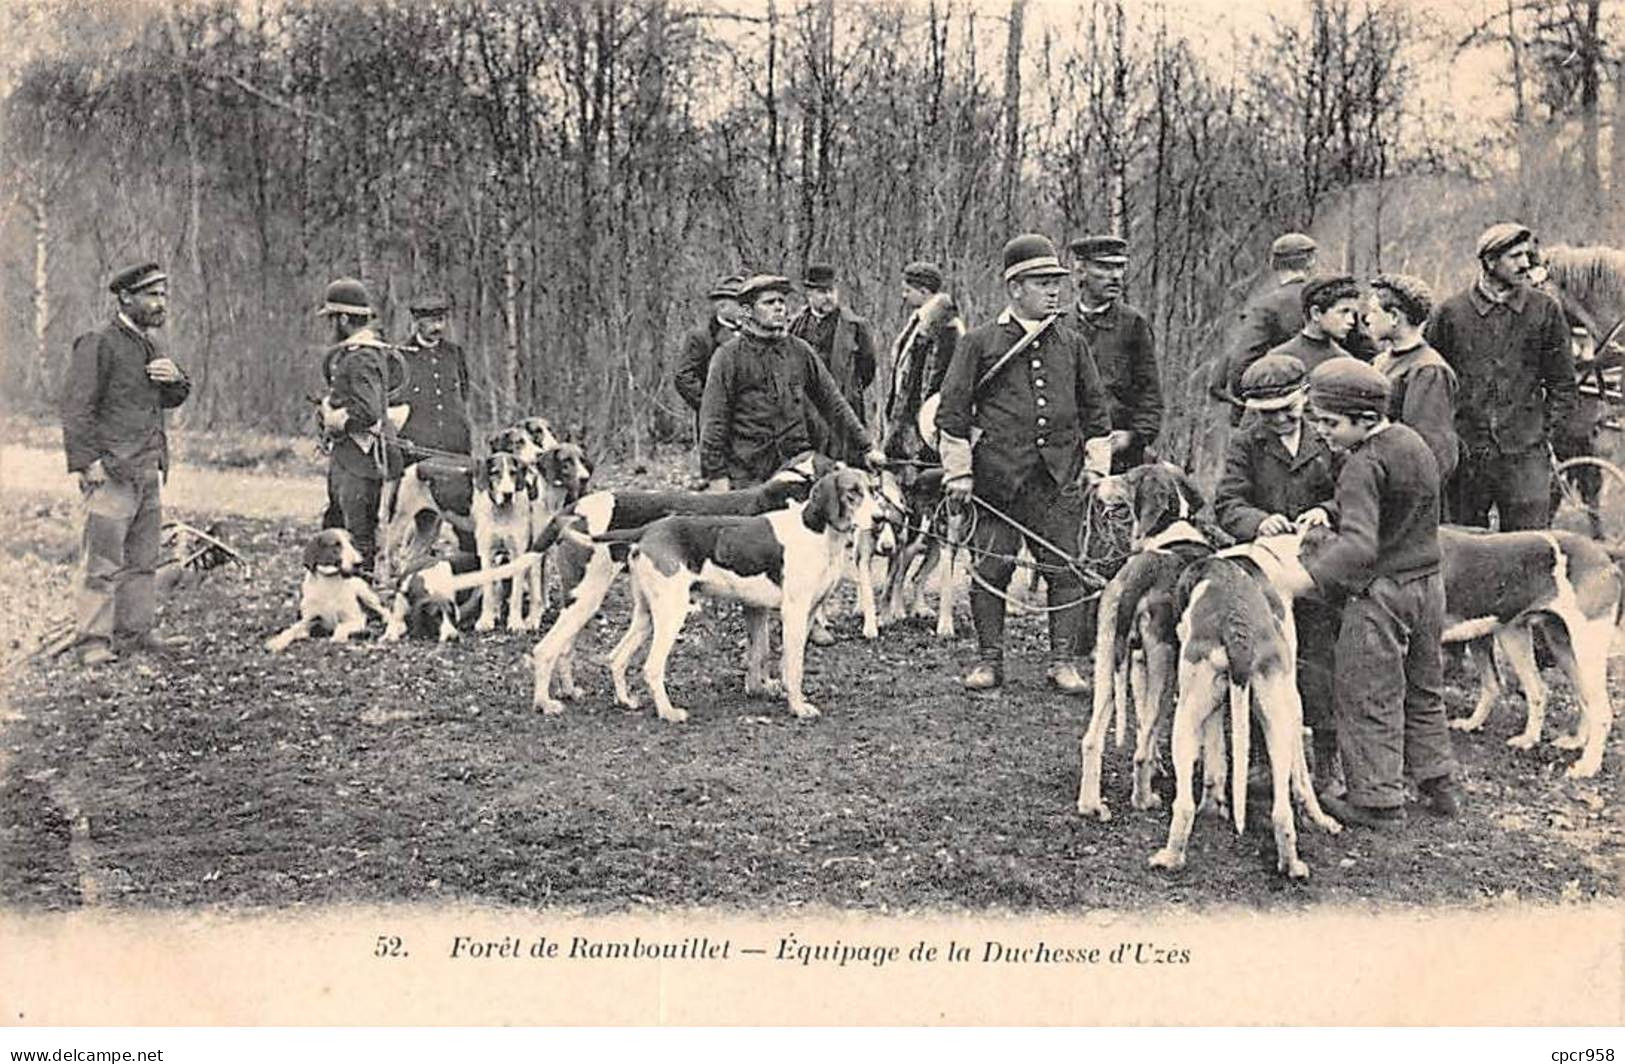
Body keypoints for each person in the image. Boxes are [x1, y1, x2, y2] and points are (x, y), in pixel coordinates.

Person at [936, 234, 1114, 694]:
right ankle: (989, 661)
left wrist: (1097, 467)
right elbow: (951, 415)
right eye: (1041, 282)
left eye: (1056, 281)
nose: (1054, 290)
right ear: (1015, 288)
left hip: (1057, 483)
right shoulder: (978, 343)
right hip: (996, 481)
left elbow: (1097, 414)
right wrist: (958, 473)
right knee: (992, 570)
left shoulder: (1072, 344)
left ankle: (1062, 664)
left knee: (1065, 571)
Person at [1303, 356, 1464, 830]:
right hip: (1428, 585)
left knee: (1367, 693)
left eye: (1330, 422)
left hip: (1381, 596)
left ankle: (1376, 801)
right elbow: (1397, 496)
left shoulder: (1360, 464)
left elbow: (1358, 546)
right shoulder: (1410, 442)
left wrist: (1310, 576)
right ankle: (1437, 782)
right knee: (1423, 686)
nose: (1322, 431)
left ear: (1366, 419)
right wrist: (1331, 510)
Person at [1213, 354, 1341, 794]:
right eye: (1268, 415)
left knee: (1322, 660)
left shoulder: (1329, 437)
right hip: (1267, 569)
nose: (1281, 420)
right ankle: (1264, 760)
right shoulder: (1245, 444)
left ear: (1305, 397)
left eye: (1289, 409)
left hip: (1317, 568)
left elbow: (1354, 493)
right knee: (1261, 658)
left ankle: (1327, 762)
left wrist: (1326, 511)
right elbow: (1227, 502)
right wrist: (1257, 520)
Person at [60, 261, 192, 666]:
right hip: (112, 471)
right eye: (152, 295)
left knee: (142, 561)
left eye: (164, 295)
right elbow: (76, 406)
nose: (160, 304)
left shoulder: (149, 345)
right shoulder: (97, 342)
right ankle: (92, 642)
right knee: (101, 563)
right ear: (126, 297)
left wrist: (177, 380)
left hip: (148, 469)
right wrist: (87, 463)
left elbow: (169, 398)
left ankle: (135, 633)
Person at [1425, 222, 1575, 531]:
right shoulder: (1450, 314)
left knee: (1529, 548)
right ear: (1490, 261)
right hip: (1467, 458)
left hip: (1525, 458)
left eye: (1527, 255)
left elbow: (1563, 384)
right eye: (1515, 256)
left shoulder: (1545, 310)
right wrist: (1450, 439)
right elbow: (1433, 383)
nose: (1525, 264)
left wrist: (1542, 434)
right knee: (1465, 549)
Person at [699, 274, 884, 489]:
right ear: (748, 311)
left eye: (781, 302)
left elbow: (834, 403)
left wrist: (866, 448)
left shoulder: (800, 351)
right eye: (769, 302)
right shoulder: (728, 356)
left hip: (796, 467)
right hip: (747, 473)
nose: (779, 308)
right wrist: (717, 477)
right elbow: (714, 421)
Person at [316, 277, 403, 576]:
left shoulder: (364, 355)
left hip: (361, 462)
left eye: (331, 319)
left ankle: (361, 605)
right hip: (348, 458)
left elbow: (368, 410)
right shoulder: (354, 352)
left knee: (358, 537)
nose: (330, 327)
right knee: (337, 527)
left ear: (342, 318)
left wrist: (337, 420)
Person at [1068, 235, 1162, 471]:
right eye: (1104, 267)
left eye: (1120, 267)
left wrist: (1133, 437)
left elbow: (1150, 394)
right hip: (1066, 454)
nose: (1116, 276)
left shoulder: (1133, 325)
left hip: (1119, 457)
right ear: (1080, 272)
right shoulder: (1060, 325)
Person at [395, 292, 475, 551]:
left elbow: (463, 394)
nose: (438, 327)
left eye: (441, 320)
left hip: (454, 451)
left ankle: (468, 578)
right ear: (417, 322)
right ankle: (407, 572)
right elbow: (395, 407)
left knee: (465, 521)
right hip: (419, 453)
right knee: (419, 523)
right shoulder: (401, 357)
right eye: (431, 321)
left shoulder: (454, 354)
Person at [1366, 274, 1458, 482]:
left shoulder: (1428, 370)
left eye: (1373, 311)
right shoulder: (1380, 361)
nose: (1367, 318)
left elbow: (1431, 451)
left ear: (1395, 317)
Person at [1215, 231, 1317, 419]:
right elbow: (1366, 351)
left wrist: (1246, 401)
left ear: (1273, 264)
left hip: (1278, 409)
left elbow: (1242, 361)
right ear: (1311, 261)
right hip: (1327, 411)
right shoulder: (1331, 301)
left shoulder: (1265, 306)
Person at [789, 264, 878, 463]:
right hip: (806, 412)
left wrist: (850, 388)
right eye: (821, 292)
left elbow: (868, 368)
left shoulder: (856, 326)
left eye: (831, 291)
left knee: (845, 465)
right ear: (809, 294)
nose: (828, 297)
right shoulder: (795, 326)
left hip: (843, 406)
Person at [881, 260, 964, 464]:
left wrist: (926, 423)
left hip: (926, 423)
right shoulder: (919, 322)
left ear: (924, 291)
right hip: (909, 422)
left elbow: (944, 379)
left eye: (907, 290)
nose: (903, 295)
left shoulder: (946, 327)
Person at [673, 273, 745, 426]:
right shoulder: (701, 337)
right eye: (740, 303)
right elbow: (684, 377)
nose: (745, 308)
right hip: (718, 423)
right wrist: (711, 405)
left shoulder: (754, 334)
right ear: (722, 306)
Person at [1263, 274, 1359, 374]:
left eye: (1353, 313)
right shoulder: (1278, 359)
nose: (1351, 320)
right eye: (1344, 312)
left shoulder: (1345, 362)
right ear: (1316, 313)